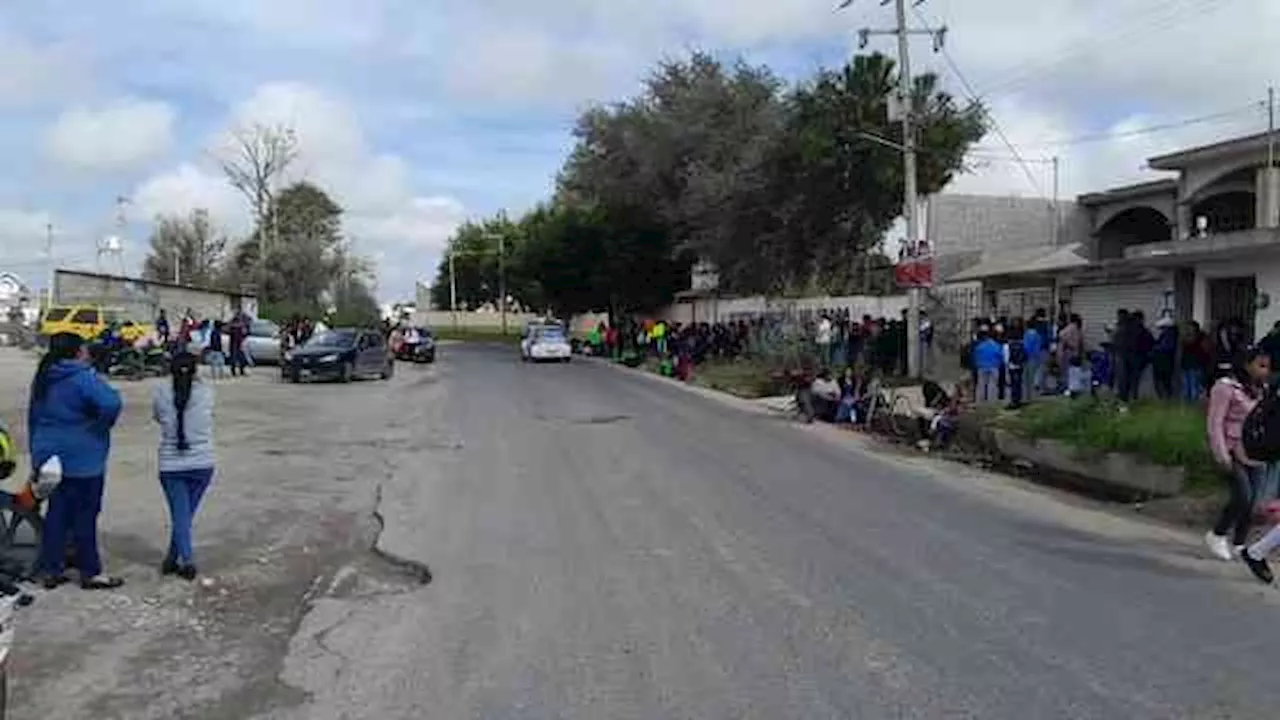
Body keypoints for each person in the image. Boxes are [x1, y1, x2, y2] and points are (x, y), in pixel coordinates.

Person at [28, 332, 124, 590]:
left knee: (57, 514)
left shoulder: (44, 376)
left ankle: (51, 568)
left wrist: (37, 456)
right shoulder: (81, 377)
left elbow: (33, 418)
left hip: (49, 456)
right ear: (77, 351)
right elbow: (111, 403)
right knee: (85, 515)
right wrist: (99, 427)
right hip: (83, 458)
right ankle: (89, 571)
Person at [1204, 346, 1271, 561]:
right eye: (1260, 366)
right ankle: (1217, 534)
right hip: (1231, 448)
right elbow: (1215, 422)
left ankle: (1239, 543)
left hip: (1256, 450)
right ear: (1246, 364)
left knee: (1253, 503)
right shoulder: (1226, 387)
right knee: (1243, 496)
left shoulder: (1263, 389)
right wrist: (1221, 453)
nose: (1265, 371)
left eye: (1267, 367)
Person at [152, 352, 216, 580]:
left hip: (171, 463)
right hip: (202, 461)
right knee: (185, 515)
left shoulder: (161, 392)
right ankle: (173, 558)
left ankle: (185, 559)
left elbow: (158, 417)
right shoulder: (207, 392)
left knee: (181, 514)